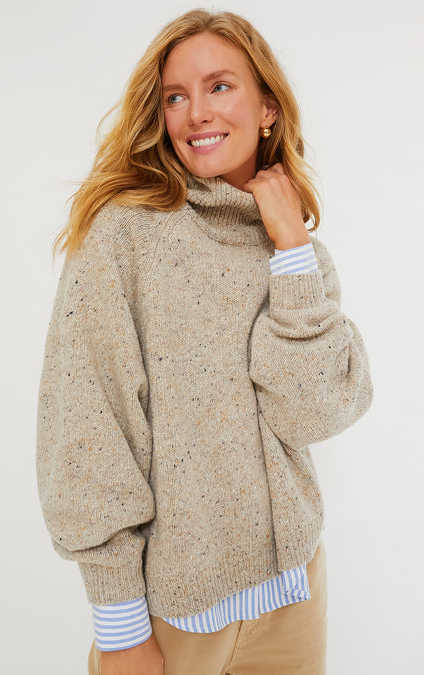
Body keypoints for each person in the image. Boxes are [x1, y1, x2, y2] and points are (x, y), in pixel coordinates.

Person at [36, 8, 373, 675]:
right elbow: (87, 426)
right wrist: (120, 625)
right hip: (170, 621)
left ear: (267, 107)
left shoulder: (296, 251)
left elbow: (315, 412)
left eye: (220, 86)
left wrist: (292, 248)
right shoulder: (126, 234)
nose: (196, 113)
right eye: (175, 97)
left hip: (293, 600)